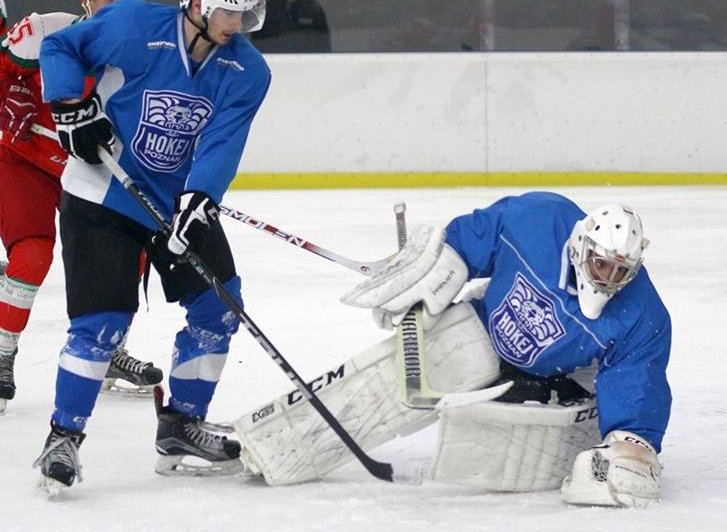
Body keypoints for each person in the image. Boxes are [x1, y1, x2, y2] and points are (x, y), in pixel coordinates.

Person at [234, 192, 671, 508]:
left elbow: (637, 379)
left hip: (556, 384)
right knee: (384, 385)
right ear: (581, 247)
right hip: (482, 330)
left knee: (505, 451)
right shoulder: (540, 218)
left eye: (621, 271)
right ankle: (267, 445)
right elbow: (478, 236)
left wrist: (631, 441)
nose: (609, 279)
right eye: (602, 265)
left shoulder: (642, 315)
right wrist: (440, 265)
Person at [34, 0, 271, 495]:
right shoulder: (133, 22)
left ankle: (181, 427)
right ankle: (63, 437)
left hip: (173, 205)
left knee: (218, 310)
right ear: (197, 4)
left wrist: (200, 199)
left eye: (244, 15)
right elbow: (59, 48)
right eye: (228, 12)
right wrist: (72, 107)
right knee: (101, 325)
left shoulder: (248, 70)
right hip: (103, 195)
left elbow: (223, 141)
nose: (236, 24)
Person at [0, 0, 165, 415]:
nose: (111, 3)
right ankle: (2, 351)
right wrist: (9, 96)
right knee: (32, 255)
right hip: (25, 159)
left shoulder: (152, 52)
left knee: (131, 251)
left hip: (89, 169)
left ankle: (109, 350)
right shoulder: (44, 31)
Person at [253, 0, 330, 52]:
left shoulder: (313, 9)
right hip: (273, 59)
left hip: (307, 61)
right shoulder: (269, 8)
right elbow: (256, 39)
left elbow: (323, 43)